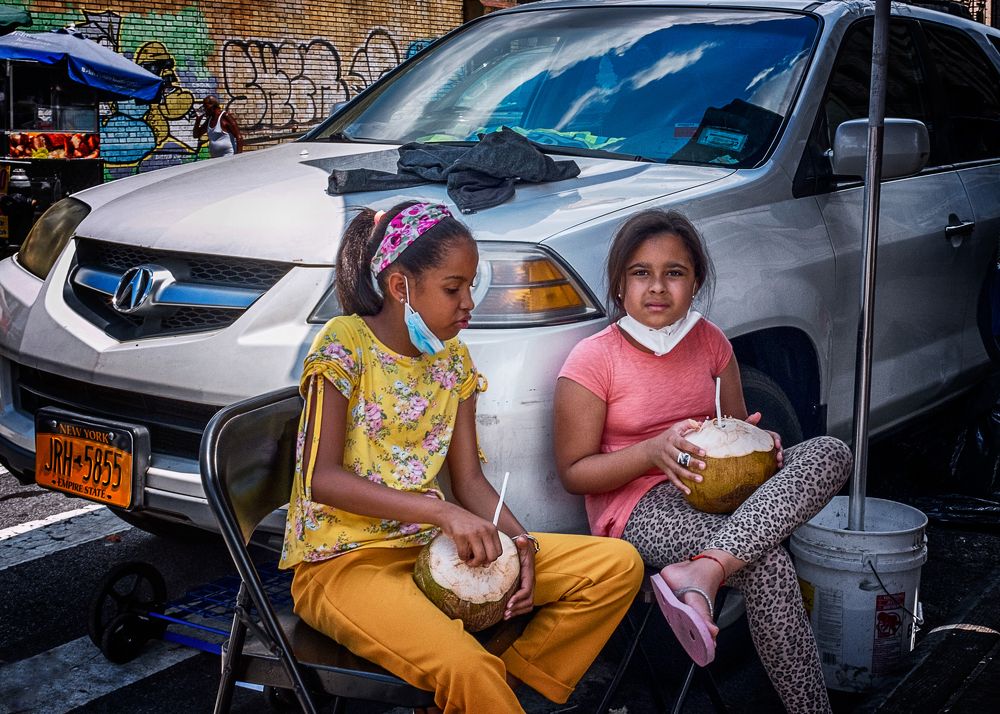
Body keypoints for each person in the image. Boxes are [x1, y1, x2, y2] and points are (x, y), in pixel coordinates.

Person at [279, 200, 644, 713]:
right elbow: (320, 479)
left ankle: (510, 690)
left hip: (435, 554)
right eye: (454, 287)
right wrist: (442, 512)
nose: (469, 302)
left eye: (471, 284)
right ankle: (483, 691)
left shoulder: (453, 361)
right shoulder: (344, 344)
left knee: (616, 566)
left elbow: (470, 481)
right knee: (466, 668)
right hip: (342, 565)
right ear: (400, 285)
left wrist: (521, 546)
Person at [553, 208, 852, 713]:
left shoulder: (710, 341)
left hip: (721, 499)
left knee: (830, 451)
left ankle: (705, 572)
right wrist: (651, 451)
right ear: (619, 284)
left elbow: (737, 428)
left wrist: (763, 447)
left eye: (675, 273)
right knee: (767, 563)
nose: (657, 287)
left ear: (695, 283)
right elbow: (574, 473)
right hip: (640, 507)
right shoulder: (594, 358)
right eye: (640, 273)